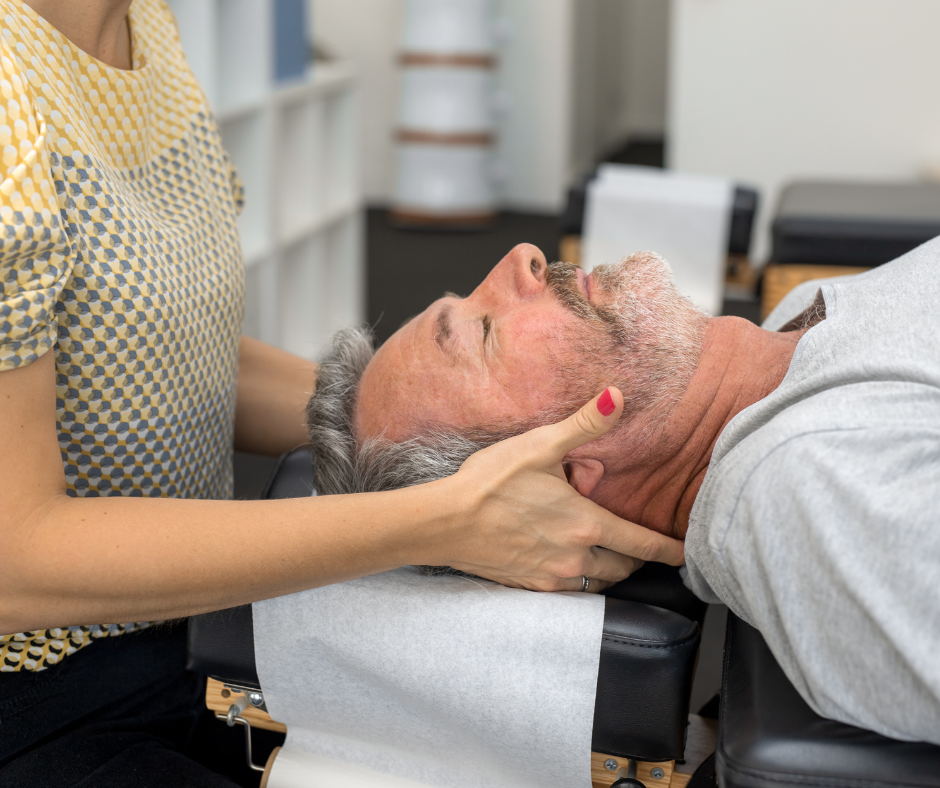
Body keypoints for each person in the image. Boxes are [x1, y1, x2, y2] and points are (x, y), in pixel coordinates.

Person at [0, 2, 685, 784]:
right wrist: (440, 519)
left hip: (185, 634)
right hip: (34, 699)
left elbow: (166, 365)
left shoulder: (145, 26)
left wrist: (434, 442)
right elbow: (13, 565)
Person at [308, 240, 940, 745]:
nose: (522, 258)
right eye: (483, 331)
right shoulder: (807, 494)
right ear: (550, 484)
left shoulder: (794, 320)